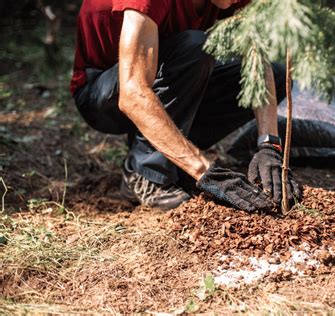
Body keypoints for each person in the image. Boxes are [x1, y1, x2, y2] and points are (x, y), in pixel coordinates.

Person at [71, 0, 300, 212]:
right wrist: (204, 172)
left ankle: (172, 155)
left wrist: (269, 145)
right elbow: (132, 93)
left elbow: (256, 58)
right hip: (102, 93)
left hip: (164, 74)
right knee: (196, 48)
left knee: (277, 76)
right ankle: (145, 173)